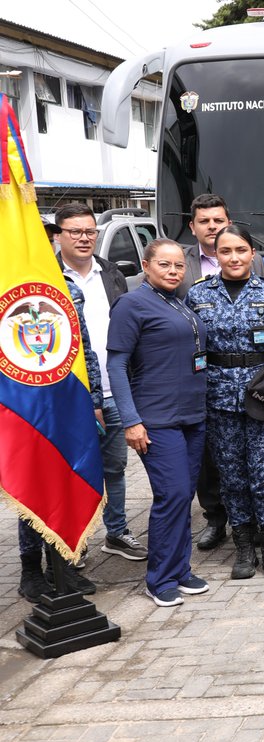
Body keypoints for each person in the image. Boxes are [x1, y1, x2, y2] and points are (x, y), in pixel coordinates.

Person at [186, 224, 264, 579]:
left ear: (252, 253)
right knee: (233, 479)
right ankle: (244, 549)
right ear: (215, 255)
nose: (233, 257)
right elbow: (190, 352)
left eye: (240, 250)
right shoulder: (197, 295)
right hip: (219, 402)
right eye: (226, 251)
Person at [107, 240, 211, 607]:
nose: (173, 271)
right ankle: (160, 578)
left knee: (184, 495)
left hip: (193, 415)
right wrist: (131, 421)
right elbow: (116, 365)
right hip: (156, 418)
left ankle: (180, 569)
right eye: (164, 264)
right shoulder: (131, 304)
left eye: (179, 265)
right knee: (173, 494)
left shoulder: (178, 301)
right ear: (145, 265)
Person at [52, 204, 143, 566]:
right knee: (74, 472)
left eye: (90, 231)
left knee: (115, 468)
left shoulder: (110, 272)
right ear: (58, 236)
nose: (84, 238)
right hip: (71, 396)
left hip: (114, 389)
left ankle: (117, 532)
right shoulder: (48, 278)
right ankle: (76, 541)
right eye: (75, 231)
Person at [182, 193, 264, 554]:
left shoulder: (256, 261)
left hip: (254, 382)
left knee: (254, 460)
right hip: (210, 381)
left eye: (218, 220)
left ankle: (256, 524)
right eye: (204, 221)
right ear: (193, 226)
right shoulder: (182, 264)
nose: (212, 226)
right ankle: (216, 520)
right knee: (212, 459)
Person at [17, 279, 105, 600]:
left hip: (66, 400)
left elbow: (83, 347)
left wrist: (94, 400)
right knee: (31, 484)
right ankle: (30, 569)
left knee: (65, 481)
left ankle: (61, 563)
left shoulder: (66, 289)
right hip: (21, 405)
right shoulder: (9, 283)